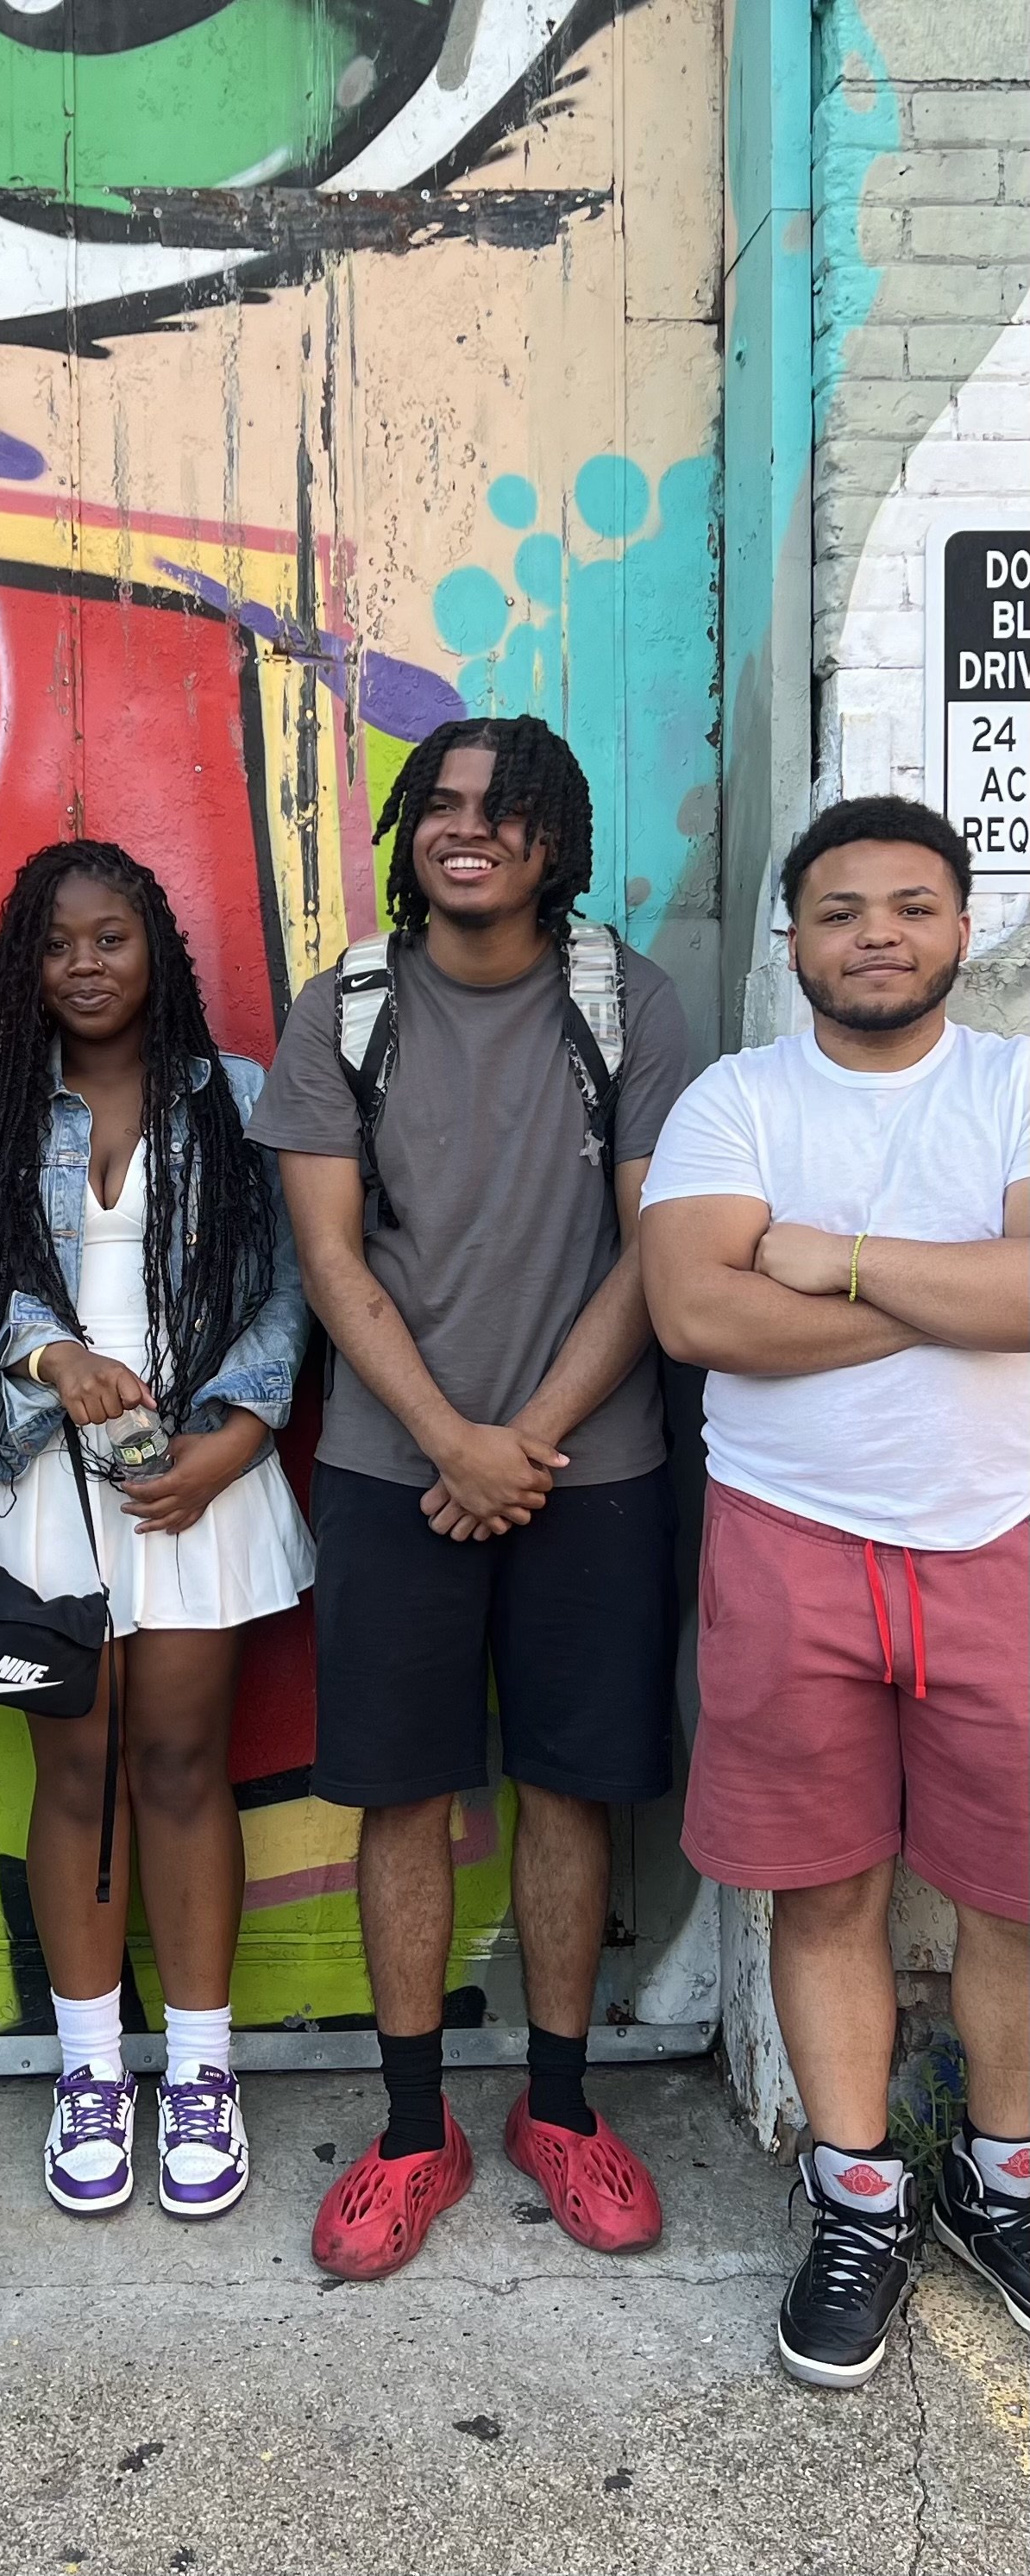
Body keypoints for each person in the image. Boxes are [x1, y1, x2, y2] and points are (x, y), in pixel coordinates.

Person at [249, 716, 689, 2278]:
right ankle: (412, 2131)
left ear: (550, 840)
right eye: (437, 808)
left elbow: (659, 1252)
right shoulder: (345, 1012)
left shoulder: (625, 1005)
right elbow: (326, 1260)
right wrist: (450, 1439)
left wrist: (521, 1443)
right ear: (403, 832)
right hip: (393, 1472)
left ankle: (558, 2111)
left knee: (568, 1788)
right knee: (403, 1794)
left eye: (501, 814)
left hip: (591, 1469)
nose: (466, 833)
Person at [640, 795, 1028, 2386]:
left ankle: (1000, 2179)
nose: (877, 932)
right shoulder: (734, 1099)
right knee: (823, 1891)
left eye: (911, 905)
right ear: (792, 939)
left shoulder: (1011, 1082)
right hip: (786, 1541)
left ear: (959, 927)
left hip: (997, 1537)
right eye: (841, 908)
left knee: (1014, 1899)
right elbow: (692, 1314)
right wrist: (962, 1299)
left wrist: (845, 1262)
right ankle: (856, 2198)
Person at [0, 839, 311, 2220]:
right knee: (75, 1777)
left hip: (194, 1469)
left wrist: (236, 1439)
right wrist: (48, 1361)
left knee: (187, 1765)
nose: (85, 966)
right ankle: (92, 2074)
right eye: (58, 943)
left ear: (157, 953)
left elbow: (287, 1282)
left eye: (111, 939)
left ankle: (198, 2070)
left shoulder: (233, 1098)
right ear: (28, 962)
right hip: (40, 1475)